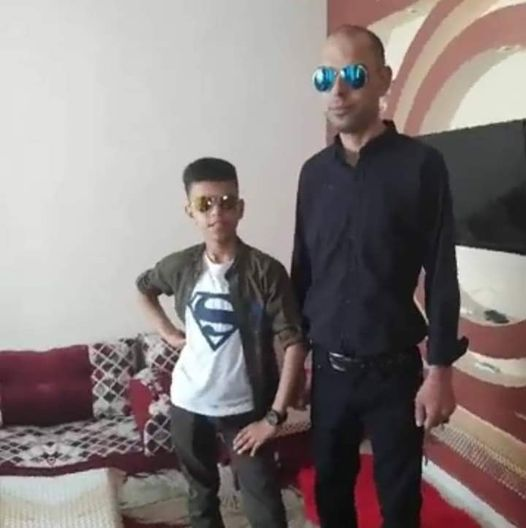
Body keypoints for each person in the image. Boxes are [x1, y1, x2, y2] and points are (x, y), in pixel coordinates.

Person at [290, 25, 468, 528]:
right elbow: (303, 270)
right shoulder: (313, 174)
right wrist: (296, 360)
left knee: (400, 502)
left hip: (394, 374)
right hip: (329, 371)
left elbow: (442, 271)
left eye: (353, 74)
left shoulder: (421, 165)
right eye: (324, 77)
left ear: (383, 79)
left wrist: (440, 371)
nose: (337, 90)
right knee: (331, 493)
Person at [136, 157, 307, 528]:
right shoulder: (180, 266)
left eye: (227, 202)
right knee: (200, 497)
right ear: (190, 211)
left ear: (240, 208)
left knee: (264, 504)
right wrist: (167, 331)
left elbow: (295, 342)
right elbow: (144, 288)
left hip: (246, 411)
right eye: (205, 203)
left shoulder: (266, 271)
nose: (217, 212)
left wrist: (274, 417)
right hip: (188, 403)